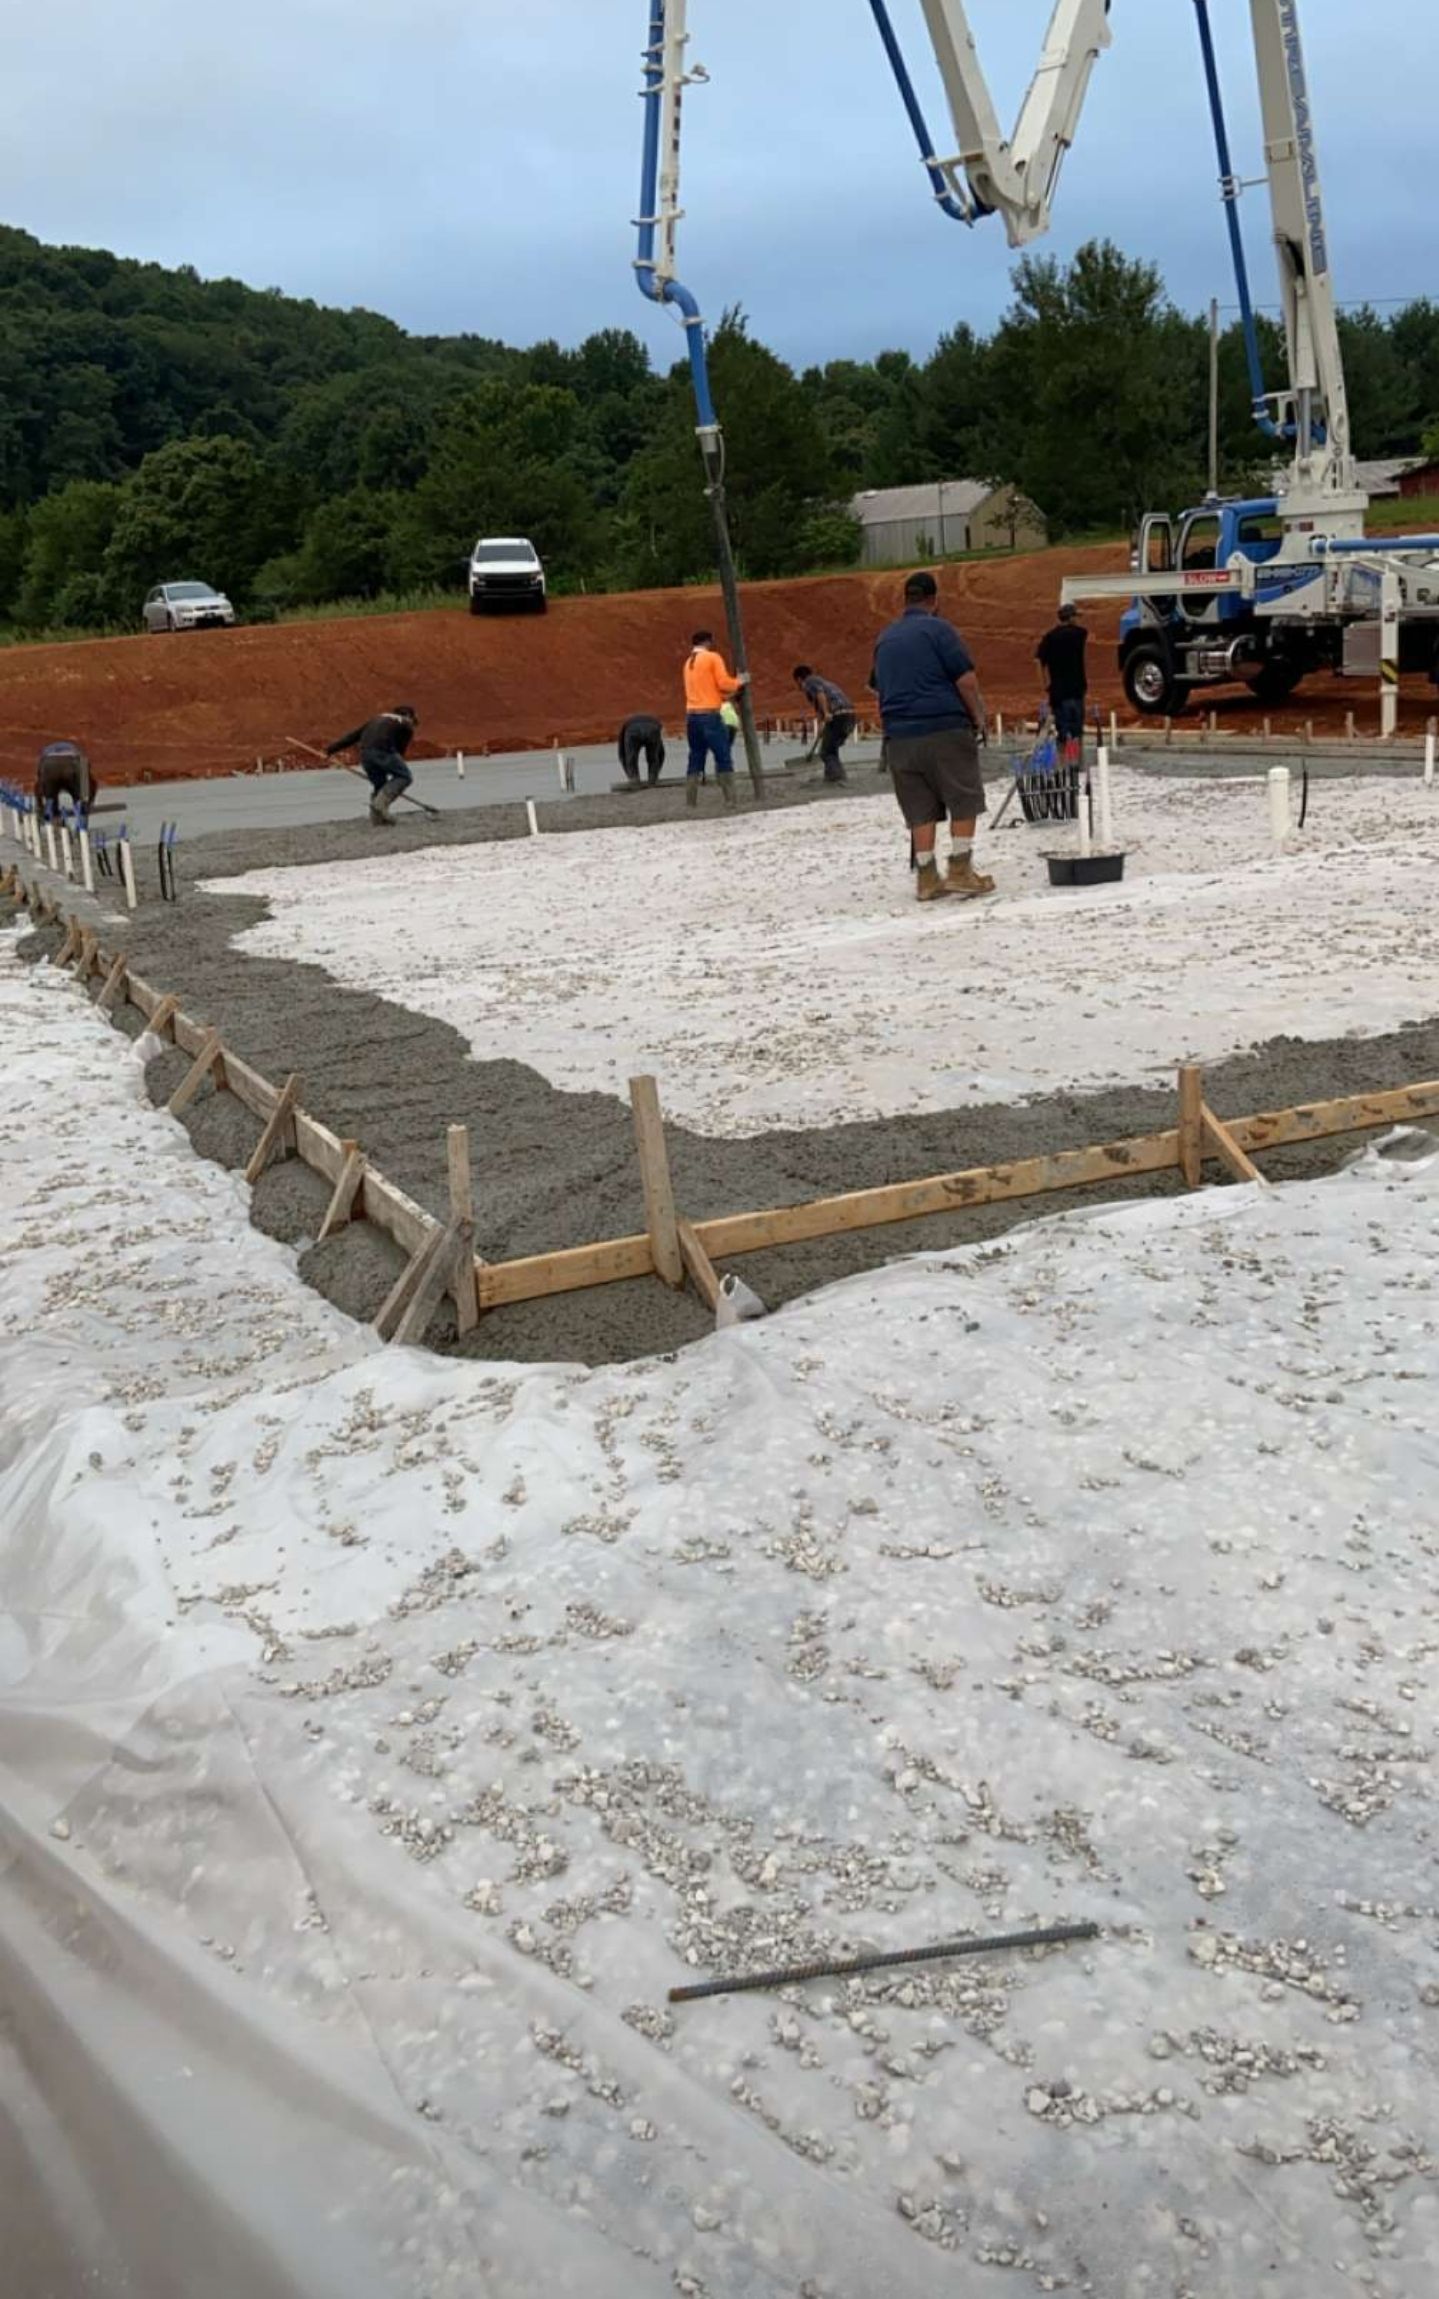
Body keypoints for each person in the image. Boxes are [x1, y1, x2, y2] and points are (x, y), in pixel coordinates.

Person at [869, 571, 994, 904]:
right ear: (934, 600)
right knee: (963, 795)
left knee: (919, 807)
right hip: (943, 727)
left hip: (899, 737)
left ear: (905, 600)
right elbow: (965, 680)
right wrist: (978, 717)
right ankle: (961, 870)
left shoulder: (885, 637)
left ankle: (927, 878)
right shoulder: (939, 630)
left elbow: (876, 686)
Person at [683, 630, 747, 810]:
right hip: (710, 715)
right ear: (708, 642)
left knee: (695, 756)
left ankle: (691, 801)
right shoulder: (712, 658)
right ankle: (730, 800)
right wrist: (739, 681)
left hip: (692, 715)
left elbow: (708, 688)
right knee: (723, 756)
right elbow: (723, 683)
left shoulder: (688, 663)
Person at [325, 704, 419, 823]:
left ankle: (377, 818)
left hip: (365, 755)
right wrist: (396, 771)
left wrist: (330, 750)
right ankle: (380, 804)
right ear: (408, 715)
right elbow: (400, 750)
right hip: (383, 751)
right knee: (404, 777)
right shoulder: (406, 723)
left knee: (380, 785)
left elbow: (352, 737)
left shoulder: (376, 718)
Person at [1037, 602, 1089, 767]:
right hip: (1077, 690)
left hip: (1058, 693)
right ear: (1071, 617)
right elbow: (1083, 632)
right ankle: (1075, 762)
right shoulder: (1080, 634)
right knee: (1076, 731)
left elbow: (1038, 660)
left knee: (1062, 731)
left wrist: (1044, 683)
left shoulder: (1050, 637)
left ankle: (1064, 763)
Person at [792, 664, 855, 785]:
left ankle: (836, 778)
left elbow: (821, 695)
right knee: (831, 747)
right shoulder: (824, 682)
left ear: (799, 679)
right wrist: (822, 726)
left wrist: (826, 713)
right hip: (849, 715)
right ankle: (833, 775)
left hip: (837, 714)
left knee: (826, 751)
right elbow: (820, 708)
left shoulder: (809, 682)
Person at [35, 739, 95, 815]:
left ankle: (50, 807)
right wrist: (87, 797)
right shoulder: (76, 749)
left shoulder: (45, 753)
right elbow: (85, 768)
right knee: (82, 791)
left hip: (49, 764)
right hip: (73, 762)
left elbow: (39, 781)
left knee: (50, 796)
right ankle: (82, 805)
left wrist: (40, 803)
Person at [618, 713, 666, 785]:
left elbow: (622, 754)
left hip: (633, 730)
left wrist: (630, 775)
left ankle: (634, 779)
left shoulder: (624, 729)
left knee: (631, 758)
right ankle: (652, 779)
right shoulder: (626, 726)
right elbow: (661, 753)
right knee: (653, 757)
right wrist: (656, 773)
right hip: (653, 728)